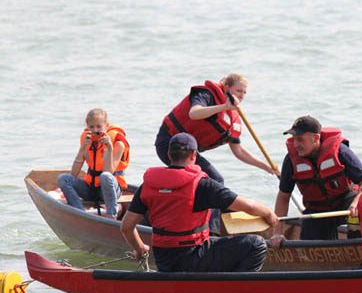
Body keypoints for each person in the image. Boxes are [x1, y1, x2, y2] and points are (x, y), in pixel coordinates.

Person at [121, 133, 279, 272]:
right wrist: (269, 214)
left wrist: (140, 248)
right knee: (256, 244)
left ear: (169, 154)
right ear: (193, 155)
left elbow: (127, 227)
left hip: (164, 261)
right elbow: (250, 206)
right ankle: (234, 289)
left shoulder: (149, 184)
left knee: (214, 242)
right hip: (194, 257)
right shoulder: (202, 184)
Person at [154, 73, 279, 234]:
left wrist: (267, 167)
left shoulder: (232, 117)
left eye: (244, 92)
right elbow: (194, 113)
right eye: (238, 90)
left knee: (210, 181)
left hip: (190, 153)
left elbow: (239, 151)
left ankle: (220, 219)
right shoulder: (206, 95)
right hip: (170, 144)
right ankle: (211, 232)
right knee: (215, 179)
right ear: (227, 89)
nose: (242, 96)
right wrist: (224, 107)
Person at [269, 116, 362, 246]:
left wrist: (356, 203)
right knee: (308, 249)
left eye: (300, 140)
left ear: (315, 138)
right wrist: (278, 232)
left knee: (354, 233)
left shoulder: (341, 151)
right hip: (315, 210)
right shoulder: (291, 159)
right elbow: (283, 196)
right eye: (294, 139)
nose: (296, 145)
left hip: (345, 206)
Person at [58, 108, 130, 219]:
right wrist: (82, 148)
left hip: (110, 188)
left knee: (105, 176)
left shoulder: (117, 143)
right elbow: (73, 174)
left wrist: (109, 148)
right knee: (64, 178)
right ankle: (80, 213)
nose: (95, 130)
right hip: (91, 187)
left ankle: (112, 216)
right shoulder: (86, 139)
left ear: (106, 126)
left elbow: (108, 172)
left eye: (99, 127)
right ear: (88, 127)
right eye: (91, 127)